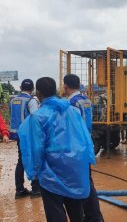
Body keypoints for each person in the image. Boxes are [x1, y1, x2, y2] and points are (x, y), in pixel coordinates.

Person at [18, 77, 96, 222]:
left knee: (55, 212)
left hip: (51, 172)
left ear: (39, 93)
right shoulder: (73, 111)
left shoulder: (38, 117)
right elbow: (86, 138)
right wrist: (89, 159)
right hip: (75, 168)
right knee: (76, 210)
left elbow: (36, 148)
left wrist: (34, 171)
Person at [63, 74, 103, 222]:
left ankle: (91, 216)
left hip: (77, 146)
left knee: (81, 181)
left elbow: (71, 127)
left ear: (66, 86)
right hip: (88, 142)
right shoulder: (86, 100)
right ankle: (94, 215)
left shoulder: (71, 103)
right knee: (87, 179)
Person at [9, 79, 40, 199]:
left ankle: (19, 189)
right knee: (34, 158)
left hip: (17, 135)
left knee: (21, 160)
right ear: (32, 89)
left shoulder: (13, 100)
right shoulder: (31, 101)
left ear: (21, 87)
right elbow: (36, 118)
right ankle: (36, 189)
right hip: (28, 135)